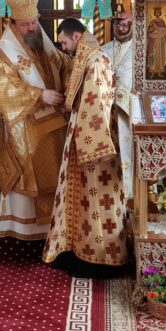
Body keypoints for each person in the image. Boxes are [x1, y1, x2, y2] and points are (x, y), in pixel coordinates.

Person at [43, 18, 127, 270]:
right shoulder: (87, 59)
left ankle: (100, 259)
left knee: (97, 197)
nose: (63, 47)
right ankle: (77, 247)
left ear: (77, 37)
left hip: (94, 144)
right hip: (82, 137)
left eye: (64, 42)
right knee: (82, 197)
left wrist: (92, 148)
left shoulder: (96, 60)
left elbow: (97, 104)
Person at [0, 0, 72, 240]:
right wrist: (40, 95)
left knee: (55, 168)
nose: (31, 28)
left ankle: (53, 227)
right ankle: (23, 227)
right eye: (25, 24)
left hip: (53, 122)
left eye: (33, 22)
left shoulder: (41, 40)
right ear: (13, 22)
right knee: (30, 173)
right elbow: (5, 89)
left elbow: (62, 63)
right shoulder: (6, 51)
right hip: (25, 126)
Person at [101, 12, 134, 200]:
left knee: (129, 153)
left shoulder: (143, 51)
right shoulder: (103, 50)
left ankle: (131, 196)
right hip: (106, 113)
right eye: (117, 24)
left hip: (129, 113)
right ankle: (110, 196)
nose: (120, 28)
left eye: (125, 24)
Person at [147, 7, 166, 78]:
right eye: (156, 12)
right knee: (154, 56)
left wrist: (165, 31)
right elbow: (149, 31)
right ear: (154, 13)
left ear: (160, 13)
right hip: (154, 41)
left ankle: (159, 72)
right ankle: (153, 72)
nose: (157, 13)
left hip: (161, 41)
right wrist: (154, 31)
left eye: (159, 12)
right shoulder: (152, 22)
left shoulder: (162, 22)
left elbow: (165, 31)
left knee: (160, 56)